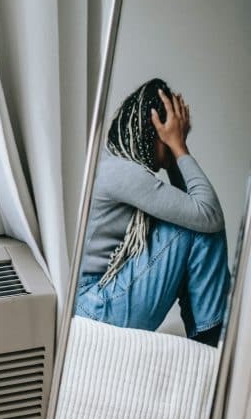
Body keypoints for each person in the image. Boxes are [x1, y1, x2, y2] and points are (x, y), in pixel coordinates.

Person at [74, 77, 229, 345]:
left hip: (95, 302)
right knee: (198, 227)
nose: (176, 141)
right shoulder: (123, 173)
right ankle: (212, 337)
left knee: (197, 223)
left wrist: (174, 158)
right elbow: (207, 214)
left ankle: (210, 335)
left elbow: (196, 209)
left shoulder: (114, 162)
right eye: (173, 134)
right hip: (95, 308)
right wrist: (179, 149)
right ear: (155, 131)